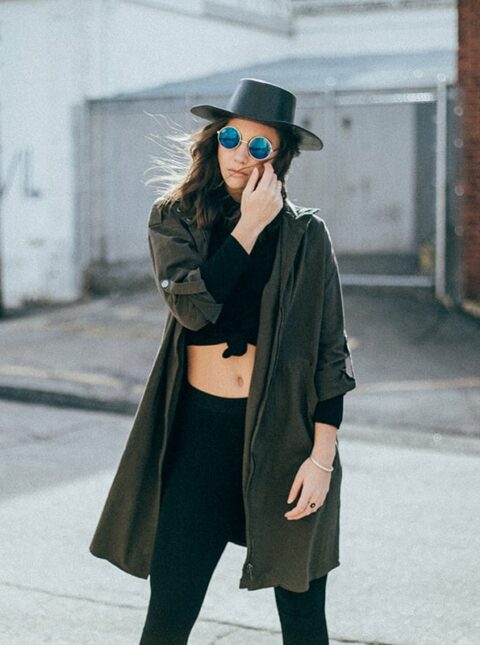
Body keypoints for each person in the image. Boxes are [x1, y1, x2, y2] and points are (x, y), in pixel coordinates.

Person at [88, 78, 357, 645]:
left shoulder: (306, 235)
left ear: (279, 157)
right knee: (169, 618)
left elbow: (331, 352)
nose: (239, 154)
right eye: (230, 138)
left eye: (258, 146)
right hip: (200, 437)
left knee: (304, 620)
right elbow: (193, 310)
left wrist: (322, 459)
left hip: (287, 439)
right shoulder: (176, 218)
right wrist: (249, 225)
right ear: (215, 139)